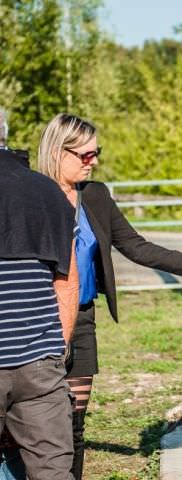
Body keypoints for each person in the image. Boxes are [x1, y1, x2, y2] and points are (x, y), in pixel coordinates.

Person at [37, 113, 182, 479]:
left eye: (96, 153)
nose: (94, 161)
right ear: (57, 151)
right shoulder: (32, 195)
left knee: (73, 426)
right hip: (38, 322)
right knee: (36, 427)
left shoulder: (95, 196)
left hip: (81, 320)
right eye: (85, 155)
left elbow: (134, 245)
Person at [0, 108, 79, 480]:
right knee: (52, 473)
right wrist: (55, 350)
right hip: (39, 364)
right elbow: (67, 282)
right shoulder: (48, 191)